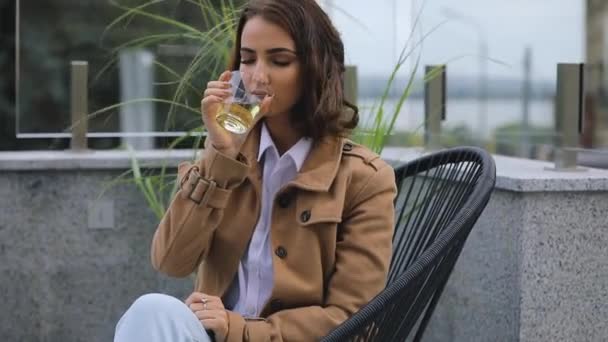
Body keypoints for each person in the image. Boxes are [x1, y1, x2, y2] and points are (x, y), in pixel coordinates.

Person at [114, 0, 396, 341]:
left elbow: (354, 319)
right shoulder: (228, 158)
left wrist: (240, 330)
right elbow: (170, 261)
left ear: (316, 67)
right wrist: (220, 157)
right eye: (247, 59)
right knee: (153, 310)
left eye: (279, 61)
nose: (257, 76)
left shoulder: (364, 179)